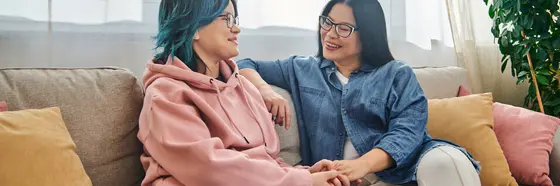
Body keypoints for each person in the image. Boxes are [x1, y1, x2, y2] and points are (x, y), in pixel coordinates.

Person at [237, 0, 481, 185]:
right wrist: (265, 91)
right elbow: (244, 64)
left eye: (343, 28)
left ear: (368, 35)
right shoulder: (302, 68)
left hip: (406, 168)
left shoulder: (396, 74)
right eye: (327, 22)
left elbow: (407, 133)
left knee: (445, 162)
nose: (330, 34)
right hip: (338, 176)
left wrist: (360, 166)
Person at [137, 0, 354, 185]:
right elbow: (209, 168)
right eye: (226, 19)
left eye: (235, 20)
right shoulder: (165, 95)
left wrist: (306, 173)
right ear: (193, 27)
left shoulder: (244, 87)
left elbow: (266, 161)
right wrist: (303, 182)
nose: (236, 29)